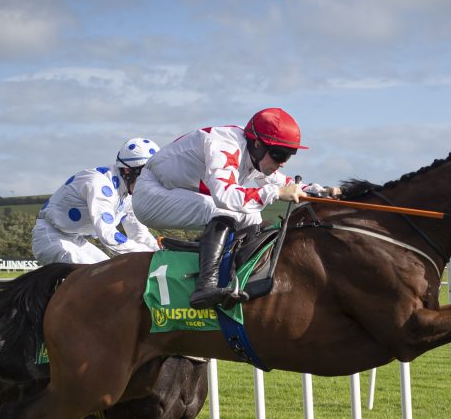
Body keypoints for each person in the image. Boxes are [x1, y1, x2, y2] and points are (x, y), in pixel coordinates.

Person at [132, 108, 328, 309]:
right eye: (279, 155)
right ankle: (205, 287)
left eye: (289, 155)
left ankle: (239, 276)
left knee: (252, 216)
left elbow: (282, 182)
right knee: (222, 210)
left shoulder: (255, 152)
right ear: (258, 144)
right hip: (151, 193)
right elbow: (225, 196)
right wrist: (276, 193)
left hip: (177, 192)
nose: (283, 163)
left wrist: (319, 191)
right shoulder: (224, 146)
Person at [32, 138, 161, 265]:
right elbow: (108, 235)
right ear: (127, 170)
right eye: (145, 175)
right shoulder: (100, 185)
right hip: (50, 237)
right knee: (99, 280)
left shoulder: (127, 193)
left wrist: (160, 252)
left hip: (75, 239)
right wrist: (148, 256)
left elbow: (138, 233)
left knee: (112, 273)